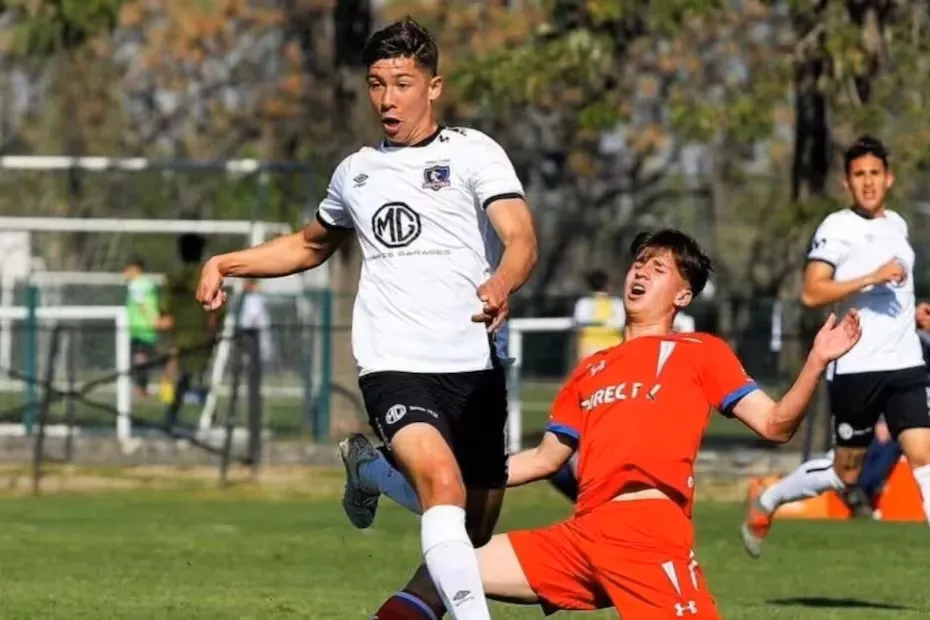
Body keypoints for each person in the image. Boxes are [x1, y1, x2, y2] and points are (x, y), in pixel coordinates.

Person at [195, 17, 537, 620]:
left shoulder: (474, 152)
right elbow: (309, 245)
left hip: (475, 364)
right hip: (394, 362)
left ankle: (372, 474)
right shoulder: (356, 172)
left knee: (473, 530)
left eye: (402, 83)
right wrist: (227, 262)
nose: (387, 98)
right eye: (377, 84)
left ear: (433, 87)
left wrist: (503, 280)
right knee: (445, 488)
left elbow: (520, 238)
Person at [341, 228, 860, 618]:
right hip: (581, 537)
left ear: (683, 295)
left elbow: (775, 426)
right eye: (638, 263)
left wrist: (816, 361)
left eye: (658, 268)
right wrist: (451, 476)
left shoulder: (700, 352)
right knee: (445, 567)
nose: (639, 273)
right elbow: (545, 460)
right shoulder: (590, 370)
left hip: (647, 536)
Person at [741, 135, 930, 559]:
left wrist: (915, 313)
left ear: (889, 178)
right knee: (846, 474)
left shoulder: (898, 225)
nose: (868, 183)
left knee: (925, 458)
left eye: (875, 174)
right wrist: (870, 277)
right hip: (856, 366)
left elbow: (895, 290)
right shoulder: (837, 227)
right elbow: (811, 292)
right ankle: (769, 500)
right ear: (847, 183)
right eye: (859, 175)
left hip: (905, 363)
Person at [161, 233, 221, 425]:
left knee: (187, 376)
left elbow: (165, 306)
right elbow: (214, 306)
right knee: (198, 375)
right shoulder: (202, 275)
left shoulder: (175, 277)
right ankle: (206, 414)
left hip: (183, 334)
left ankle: (177, 413)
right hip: (199, 334)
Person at [123, 256, 160, 397]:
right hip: (146, 328)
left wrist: (152, 319)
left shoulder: (136, 285)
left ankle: (140, 387)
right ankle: (141, 387)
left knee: (139, 359)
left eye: (127, 270)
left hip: (139, 328)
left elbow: (142, 304)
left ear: (135, 269)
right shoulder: (147, 284)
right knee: (141, 358)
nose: (125, 273)